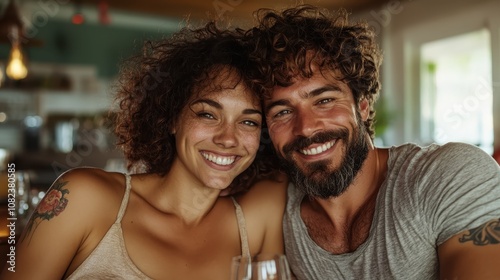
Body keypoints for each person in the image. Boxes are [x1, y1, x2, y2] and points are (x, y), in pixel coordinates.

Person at [1, 22, 287, 279]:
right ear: (172, 117)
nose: (228, 138)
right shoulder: (84, 198)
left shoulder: (259, 215)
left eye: (248, 121)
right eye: (207, 115)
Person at [245, 5, 500, 279]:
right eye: (282, 112)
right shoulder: (275, 207)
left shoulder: (449, 175)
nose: (305, 127)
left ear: (362, 105)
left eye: (324, 100)